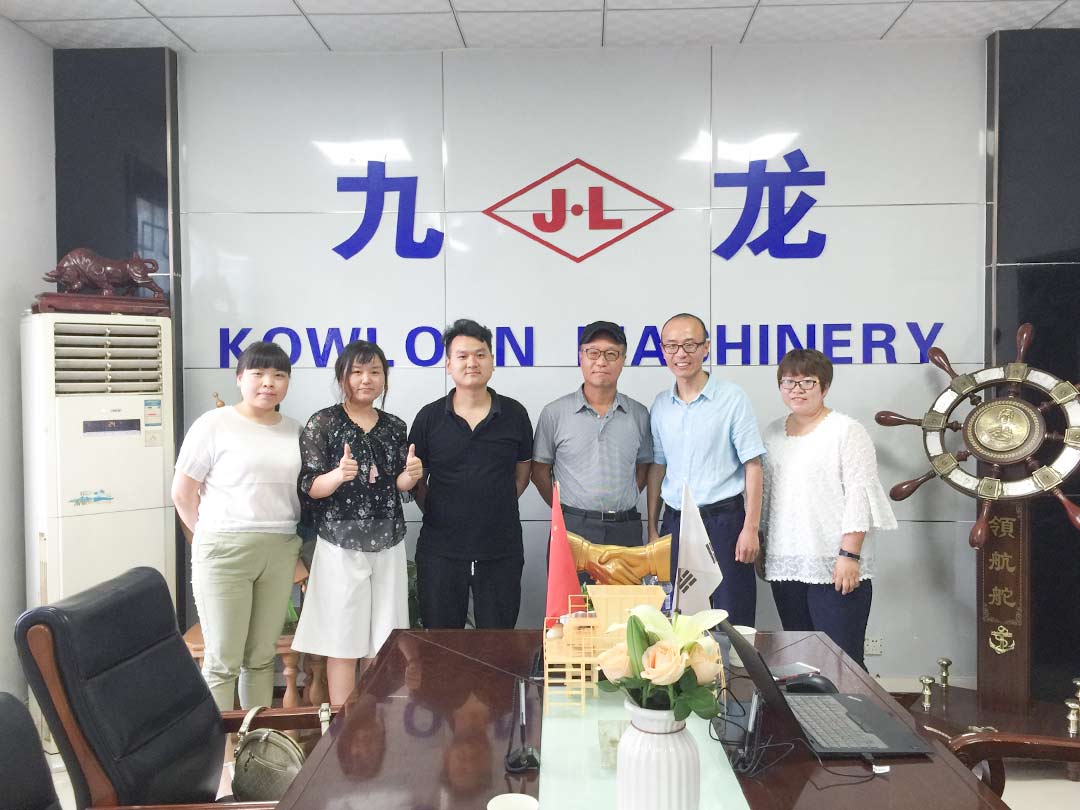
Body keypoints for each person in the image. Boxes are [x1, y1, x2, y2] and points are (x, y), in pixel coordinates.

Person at [172, 340, 303, 713]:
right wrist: (209, 536)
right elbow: (182, 493)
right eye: (258, 373)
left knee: (261, 657)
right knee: (222, 660)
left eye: (279, 375)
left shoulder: (295, 430)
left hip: (279, 551)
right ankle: (218, 747)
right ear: (239, 378)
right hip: (224, 550)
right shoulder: (214, 425)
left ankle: (253, 741)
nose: (268, 383)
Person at [291, 340, 422, 705]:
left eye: (375, 372)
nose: (367, 379)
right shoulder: (323, 423)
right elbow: (309, 486)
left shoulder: (394, 426)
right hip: (340, 543)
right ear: (342, 378)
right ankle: (342, 725)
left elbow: (398, 484)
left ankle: (375, 719)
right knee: (343, 639)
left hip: (388, 541)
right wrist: (337, 475)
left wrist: (411, 476)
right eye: (358, 372)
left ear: (385, 379)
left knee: (384, 638)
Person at [761, 349, 897, 669]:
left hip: (835, 565)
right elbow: (767, 495)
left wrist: (849, 555)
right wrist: (762, 545)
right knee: (802, 662)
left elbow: (859, 495)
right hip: (787, 563)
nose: (797, 389)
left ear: (825, 386)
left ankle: (854, 707)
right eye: (788, 382)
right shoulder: (772, 433)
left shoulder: (846, 431)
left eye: (807, 382)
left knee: (842, 662)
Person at [408, 319, 533, 629]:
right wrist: (440, 509)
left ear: (492, 361)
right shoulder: (429, 417)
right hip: (441, 550)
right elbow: (417, 480)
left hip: (500, 549)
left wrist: (493, 504)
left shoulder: (514, 414)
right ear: (448, 364)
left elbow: (522, 475)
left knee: (498, 641)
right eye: (462, 356)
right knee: (442, 642)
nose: (472, 363)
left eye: (480, 354)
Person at [647, 313, 765, 626]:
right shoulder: (660, 405)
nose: (681, 354)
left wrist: (750, 528)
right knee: (677, 620)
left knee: (732, 616)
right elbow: (658, 467)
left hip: (724, 523)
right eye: (671, 346)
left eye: (689, 345)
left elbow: (753, 465)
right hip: (676, 523)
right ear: (663, 350)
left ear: (706, 347)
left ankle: (733, 663)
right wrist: (652, 528)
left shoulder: (732, 398)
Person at [531, 321, 651, 576]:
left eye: (611, 354)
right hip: (573, 528)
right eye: (593, 352)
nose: (601, 361)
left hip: (625, 528)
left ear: (623, 360)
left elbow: (643, 468)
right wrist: (566, 511)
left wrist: (619, 499)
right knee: (571, 601)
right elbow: (539, 471)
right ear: (581, 357)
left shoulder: (639, 414)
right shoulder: (555, 413)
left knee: (626, 601)